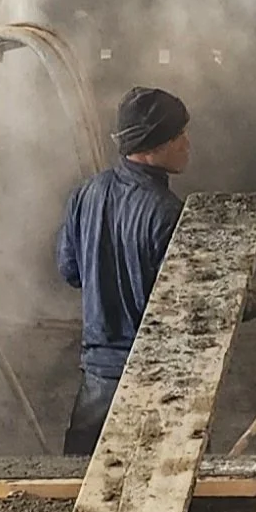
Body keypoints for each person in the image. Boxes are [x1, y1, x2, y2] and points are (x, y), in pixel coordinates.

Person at [55, 85, 194, 456]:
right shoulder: (168, 214)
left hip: (98, 378)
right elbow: (186, 306)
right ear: (153, 145)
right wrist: (253, 301)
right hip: (154, 378)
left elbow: (70, 271)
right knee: (167, 485)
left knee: (80, 484)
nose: (187, 143)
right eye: (179, 135)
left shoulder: (85, 194)